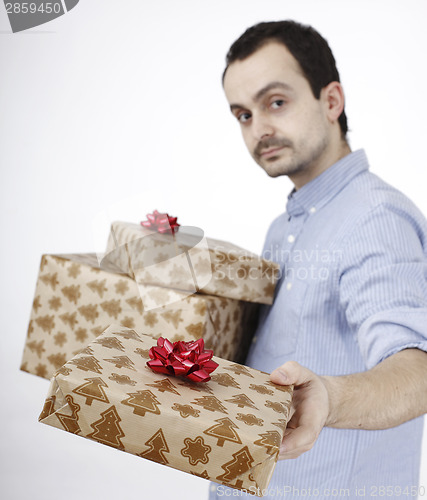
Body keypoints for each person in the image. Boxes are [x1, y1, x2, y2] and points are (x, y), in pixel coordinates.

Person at [209, 20, 427, 499]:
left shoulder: (376, 218)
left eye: (276, 102)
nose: (259, 128)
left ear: (331, 101)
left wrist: (329, 397)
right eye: (243, 114)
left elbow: (418, 371)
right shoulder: (284, 226)